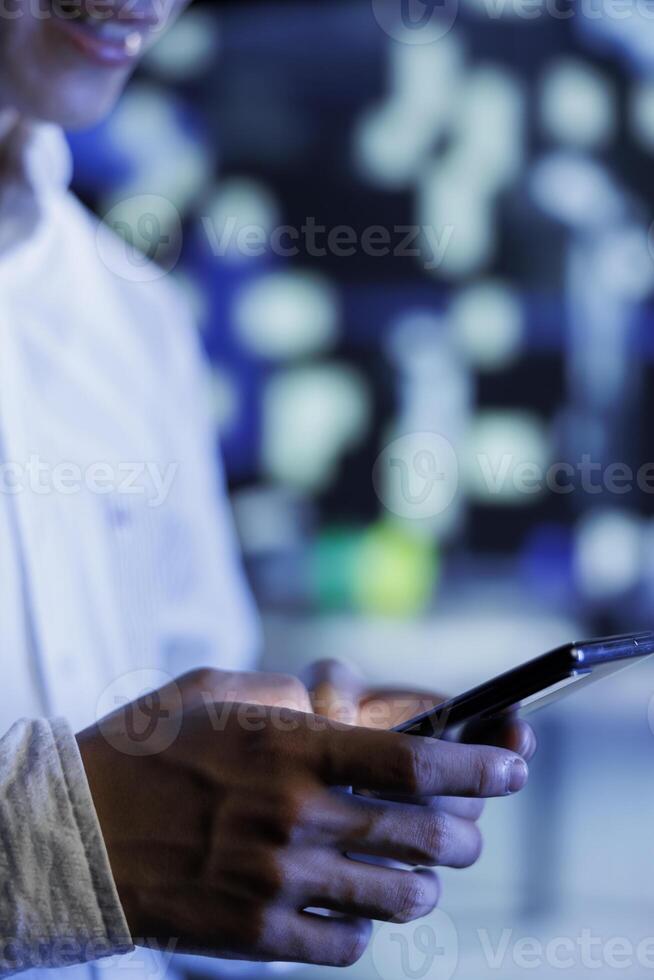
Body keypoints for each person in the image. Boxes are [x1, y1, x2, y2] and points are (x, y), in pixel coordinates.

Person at [0, 0, 536, 978]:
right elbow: (111, 836)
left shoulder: (134, 320)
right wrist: (64, 847)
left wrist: (286, 775)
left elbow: (179, 753)